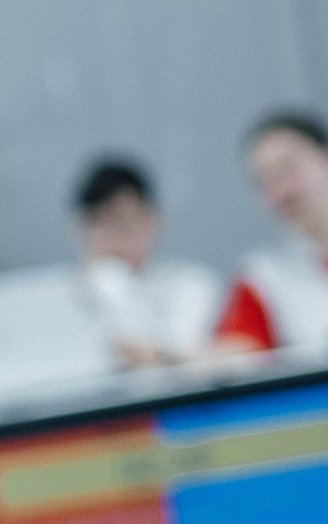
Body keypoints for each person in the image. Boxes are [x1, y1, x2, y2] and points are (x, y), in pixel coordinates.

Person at [69, 158, 221, 367]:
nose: (110, 237)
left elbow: (179, 359)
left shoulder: (191, 284)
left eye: (122, 223)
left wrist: (114, 285)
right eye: (97, 225)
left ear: (152, 221)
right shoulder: (66, 301)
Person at [215, 110, 328, 355]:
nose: (282, 190)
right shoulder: (264, 278)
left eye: (288, 168)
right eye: (265, 180)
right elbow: (236, 355)